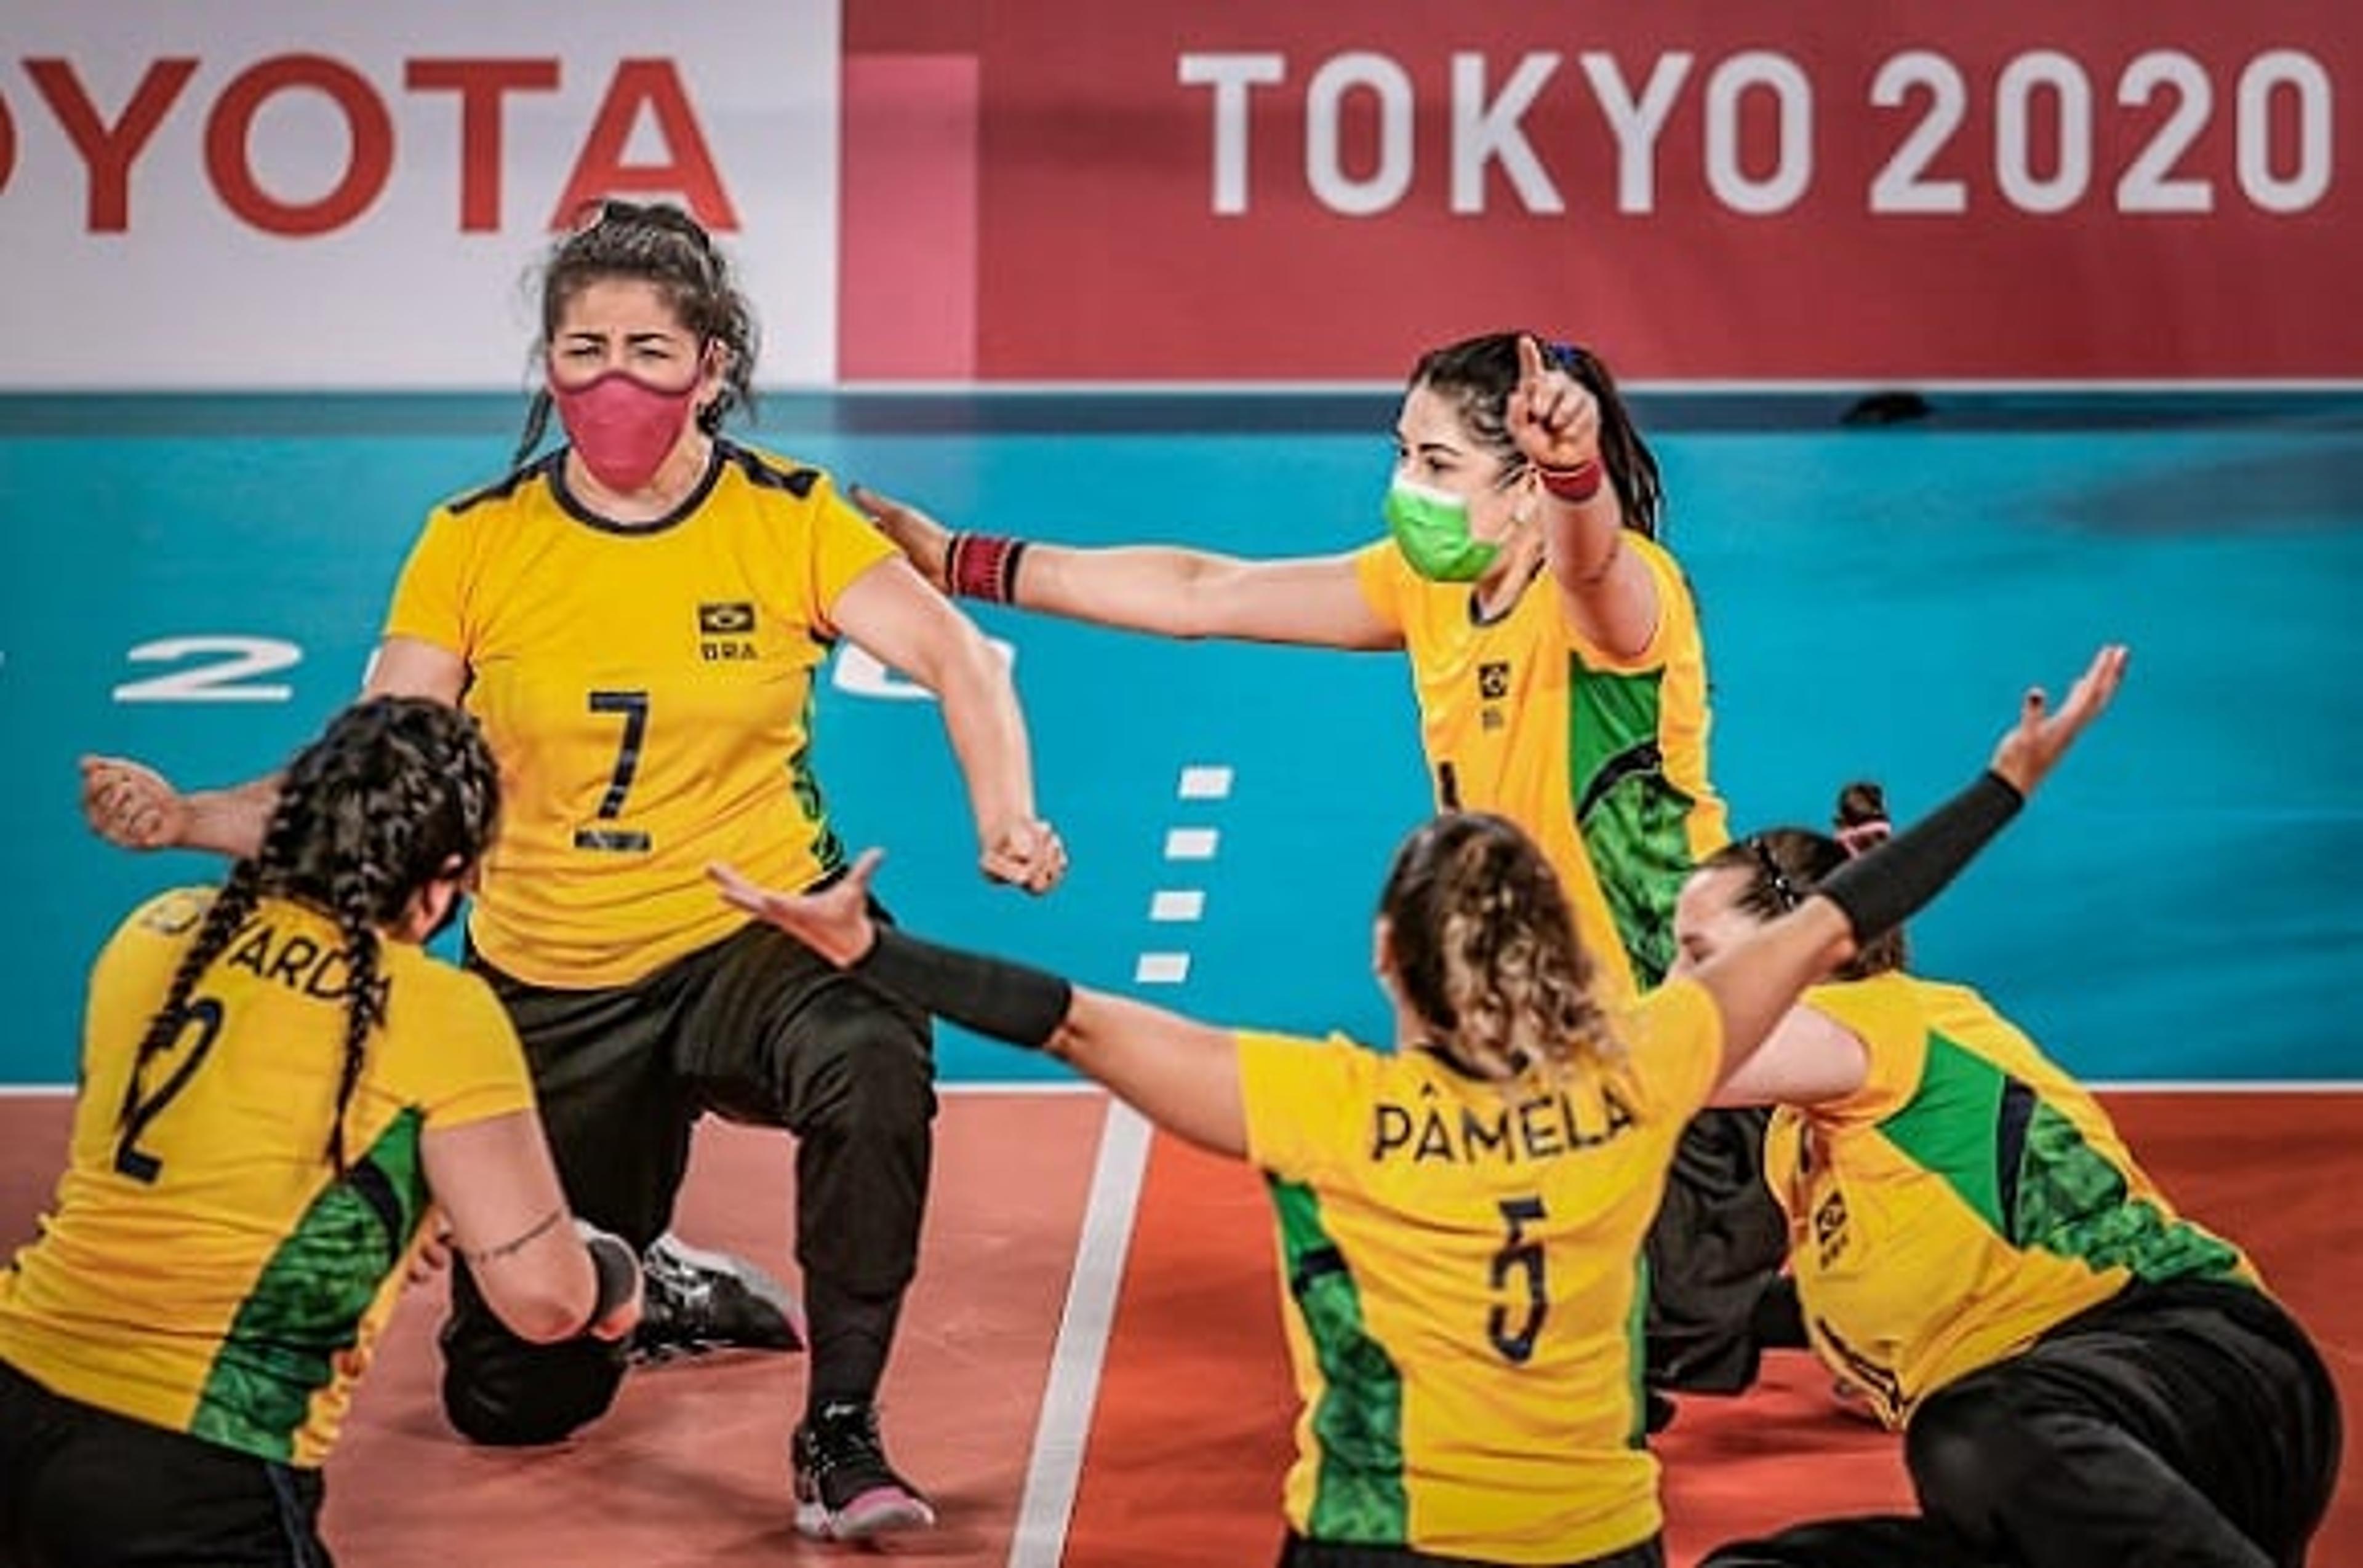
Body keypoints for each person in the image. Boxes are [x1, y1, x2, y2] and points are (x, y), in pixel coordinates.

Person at [76, 198, 1062, 1539]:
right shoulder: (476, 539)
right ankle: (650, 1285)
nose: (613, 380)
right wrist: (189, 815)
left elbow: (952, 656)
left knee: (874, 1059)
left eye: (650, 352)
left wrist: (1007, 815)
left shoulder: (789, 518)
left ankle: (840, 1427)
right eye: (582, 348)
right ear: (546, 365)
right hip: (551, 971)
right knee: (513, 1395)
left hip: (759, 928)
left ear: (714, 366)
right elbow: (379, 771)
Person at [710, 649, 2130, 1567]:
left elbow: (1068, 1017)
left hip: (1375, 1543)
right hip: (1595, 1546)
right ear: (1564, 961)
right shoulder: (1642, 1072)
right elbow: (1834, 923)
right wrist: (2002, 784)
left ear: (1387, 960)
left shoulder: (1321, 1105)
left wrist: (867, 951)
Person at [854, 332, 1791, 1401]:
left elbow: (1593, 562)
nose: (1405, 488)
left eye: (1438, 466)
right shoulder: (1431, 584)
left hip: (1652, 1044)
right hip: (1515, 1038)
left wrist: (1579, 473)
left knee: (1647, 1345)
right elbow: (1205, 591)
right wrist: (963, 560)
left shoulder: (1619, 607)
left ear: (1528, 487)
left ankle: (1774, 1252)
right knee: (1518, 1319)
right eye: (1403, 454)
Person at [2, 698, 644, 1568]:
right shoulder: (436, 1013)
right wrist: (612, 1276)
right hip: (192, 1460)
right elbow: (543, 1299)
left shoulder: (155, 934)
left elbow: (190, 1155)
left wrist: (393, 1214)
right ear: (442, 877)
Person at [1676, 777, 2341, 1568]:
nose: (1676, 987)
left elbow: (1676, 1056)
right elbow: (1850, 1297)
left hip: (2200, 1371)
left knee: (1975, 1430)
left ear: (1794, 949)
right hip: (2066, 1472)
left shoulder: (1886, 1018)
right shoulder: (1798, 1142)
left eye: (1699, 957)